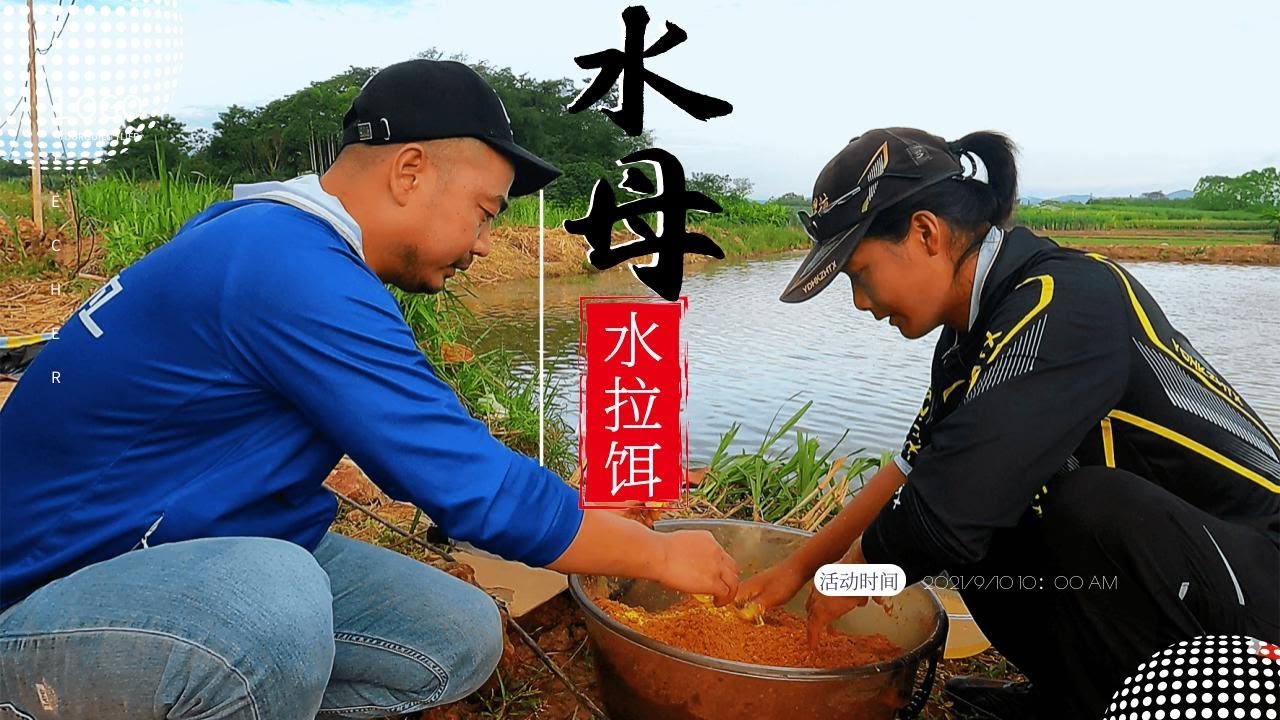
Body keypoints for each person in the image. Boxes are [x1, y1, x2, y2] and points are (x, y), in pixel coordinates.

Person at [0, 59, 740, 720]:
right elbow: (469, 486)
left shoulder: (275, 237)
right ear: (410, 171)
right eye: (485, 211)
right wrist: (659, 555)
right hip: (46, 602)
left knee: (456, 635)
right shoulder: (290, 268)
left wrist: (590, 519)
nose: (485, 243)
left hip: (180, 547)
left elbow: (443, 446)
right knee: (274, 601)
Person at [736, 127, 1280, 719]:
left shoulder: (1068, 299)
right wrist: (796, 569)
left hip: (1256, 585)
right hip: (1180, 578)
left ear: (925, 233)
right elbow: (913, 470)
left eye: (859, 274)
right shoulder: (967, 339)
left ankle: (1129, 703)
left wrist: (849, 579)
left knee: (1075, 504)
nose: (861, 302)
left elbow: (949, 509)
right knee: (986, 520)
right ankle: (1077, 697)